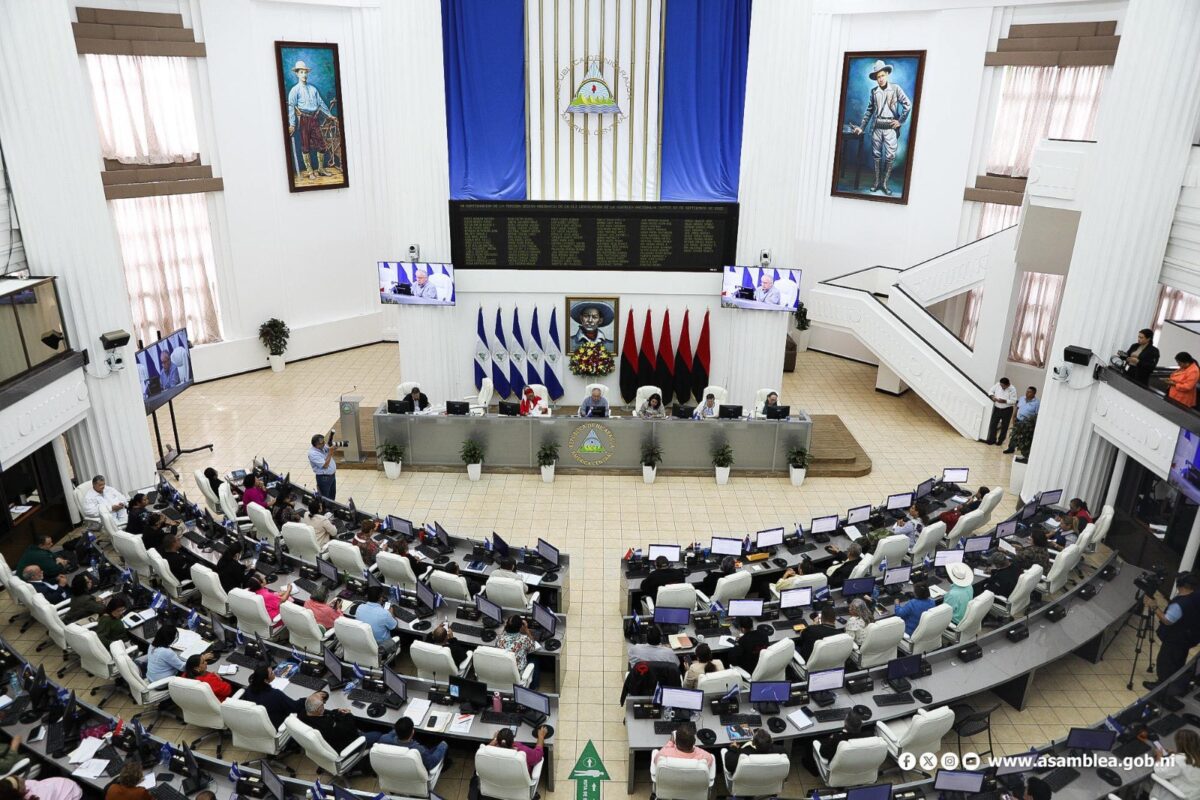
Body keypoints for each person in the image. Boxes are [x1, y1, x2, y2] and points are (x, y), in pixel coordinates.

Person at [848, 59, 912, 195]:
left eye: (882, 75)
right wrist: (861, 127)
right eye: (878, 77)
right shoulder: (873, 91)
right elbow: (869, 111)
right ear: (876, 79)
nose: (880, 79)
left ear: (887, 74)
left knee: (890, 156)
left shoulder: (895, 89)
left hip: (890, 128)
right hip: (876, 128)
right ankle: (877, 182)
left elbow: (908, 104)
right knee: (876, 155)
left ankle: (885, 183)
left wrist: (900, 121)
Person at [1143, 572, 1200, 693]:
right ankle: (1174, 681)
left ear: (1180, 584)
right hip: (1188, 637)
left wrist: (1154, 607)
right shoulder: (1196, 596)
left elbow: (1167, 620)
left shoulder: (1179, 604)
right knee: (1178, 660)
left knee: (1165, 661)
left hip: (1175, 638)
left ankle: (1161, 686)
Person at [286, 60, 334, 180]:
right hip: (303, 119)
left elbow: (321, 103)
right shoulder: (294, 90)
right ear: (297, 74)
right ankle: (310, 170)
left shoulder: (313, 89)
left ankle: (321, 169)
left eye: (305, 72)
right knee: (305, 146)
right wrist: (292, 124)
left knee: (321, 145)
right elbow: (291, 108)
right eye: (301, 72)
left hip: (314, 118)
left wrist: (329, 115)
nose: (304, 75)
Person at [302, 692, 383, 747]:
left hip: (334, 738)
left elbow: (325, 714)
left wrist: (336, 711)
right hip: (349, 741)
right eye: (323, 703)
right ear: (319, 709)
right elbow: (350, 729)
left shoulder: (304, 714)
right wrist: (348, 715)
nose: (324, 704)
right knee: (379, 735)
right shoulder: (327, 726)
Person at [241, 665, 305, 728]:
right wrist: (306, 699)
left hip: (257, 725)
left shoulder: (248, 690)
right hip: (276, 724)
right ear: (265, 680)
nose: (273, 673)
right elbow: (295, 707)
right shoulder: (275, 694)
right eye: (271, 673)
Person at [379, 716, 448, 769]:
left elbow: (392, 733)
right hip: (420, 768)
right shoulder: (419, 750)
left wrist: (401, 727)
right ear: (412, 732)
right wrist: (443, 745)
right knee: (441, 745)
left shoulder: (384, 739)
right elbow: (431, 763)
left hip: (396, 768)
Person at [1149, 729, 1200, 799]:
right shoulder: (1196, 757)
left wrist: (1158, 757)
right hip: (1196, 795)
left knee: (1152, 781)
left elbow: (1160, 773)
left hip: (1182, 795)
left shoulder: (1178, 760)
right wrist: (1177, 754)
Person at [353, 585, 399, 651]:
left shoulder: (359, 608)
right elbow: (395, 627)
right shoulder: (384, 613)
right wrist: (391, 613)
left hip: (365, 644)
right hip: (382, 647)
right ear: (380, 598)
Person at [497, 615, 539, 682]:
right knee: (535, 659)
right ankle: (533, 687)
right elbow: (533, 647)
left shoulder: (500, 638)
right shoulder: (524, 639)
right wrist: (526, 629)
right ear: (520, 627)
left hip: (503, 671)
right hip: (517, 675)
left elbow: (504, 632)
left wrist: (508, 625)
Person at [1004, 387, 1040, 455]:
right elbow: (1017, 408)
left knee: (1025, 437)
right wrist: (1013, 417)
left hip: (1027, 423)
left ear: (1034, 393)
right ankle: (1011, 449)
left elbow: (1037, 414)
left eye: (1029, 392)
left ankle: (1024, 452)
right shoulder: (1022, 398)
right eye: (1027, 391)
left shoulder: (1037, 403)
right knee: (1014, 435)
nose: (1027, 393)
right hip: (1018, 420)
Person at [986, 377, 1019, 445]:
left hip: (1007, 410)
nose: (1002, 387)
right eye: (1001, 386)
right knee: (993, 424)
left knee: (1004, 426)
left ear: (1008, 384)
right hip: (997, 408)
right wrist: (992, 397)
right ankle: (992, 439)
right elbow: (990, 391)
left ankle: (1000, 440)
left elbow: (1014, 401)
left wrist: (1005, 401)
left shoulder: (1012, 389)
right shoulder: (998, 384)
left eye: (1004, 386)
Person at [308, 433, 338, 501]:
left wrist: (333, 448)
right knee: (325, 499)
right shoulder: (313, 454)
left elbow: (329, 449)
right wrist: (330, 452)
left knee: (332, 497)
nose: (324, 444)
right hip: (324, 478)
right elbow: (325, 465)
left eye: (324, 441)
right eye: (322, 443)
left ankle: (331, 510)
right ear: (316, 445)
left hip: (331, 476)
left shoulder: (322, 446)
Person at [0, 775, 83, 800]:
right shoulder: (39, 797)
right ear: (19, 792)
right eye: (17, 780)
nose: (18, 777)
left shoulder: (25, 786)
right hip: (73, 793)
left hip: (63, 786)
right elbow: (50, 790)